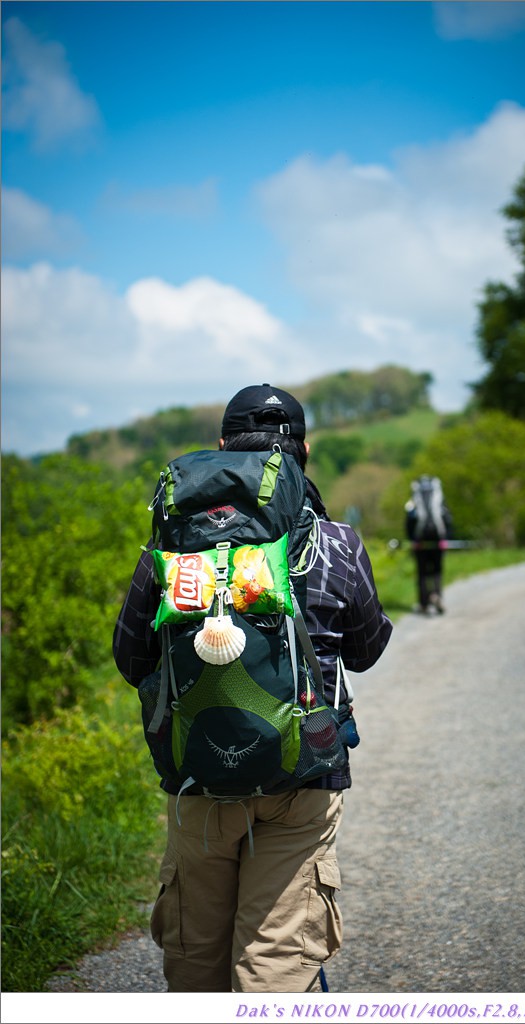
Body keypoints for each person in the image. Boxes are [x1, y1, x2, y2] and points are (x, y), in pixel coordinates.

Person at [113, 383, 393, 993]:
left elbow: (129, 659)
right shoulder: (337, 544)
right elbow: (368, 653)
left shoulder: (171, 551)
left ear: (221, 448)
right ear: (304, 451)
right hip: (304, 780)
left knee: (197, 964)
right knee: (274, 964)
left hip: (198, 779)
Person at [404, 474, 453, 616]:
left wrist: (413, 539)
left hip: (420, 541)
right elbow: (447, 519)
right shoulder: (439, 499)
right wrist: (446, 538)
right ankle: (437, 596)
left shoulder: (414, 500)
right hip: (438, 540)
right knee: (437, 570)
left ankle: (424, 603)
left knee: (422, 572)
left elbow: (409, 521)